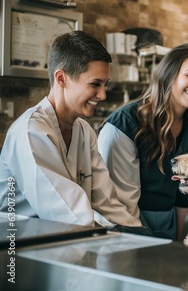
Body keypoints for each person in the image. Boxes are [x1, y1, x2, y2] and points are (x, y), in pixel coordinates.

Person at [0, 30, 143, 230]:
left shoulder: (84, 131)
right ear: (61, 79)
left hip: (67, 241)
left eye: (105, 85)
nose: (102, 95)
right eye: (95, 84)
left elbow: (107, 202)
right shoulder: (30, 131)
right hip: (19, 248)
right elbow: (66, 214)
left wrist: (139, 232)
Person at [98, 43, 188, 240]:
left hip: (167, 224)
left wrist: (177, 241)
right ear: (169, 75)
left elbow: (183, 196)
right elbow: (119, 203)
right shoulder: (126, 125)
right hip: (125, 228)